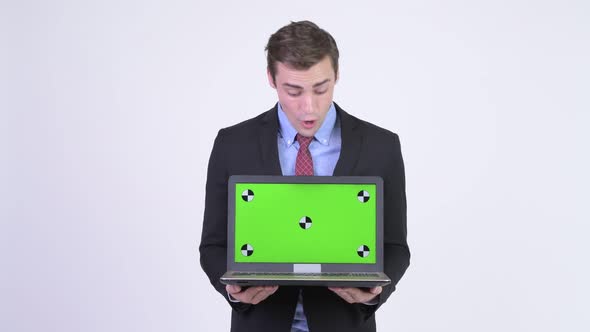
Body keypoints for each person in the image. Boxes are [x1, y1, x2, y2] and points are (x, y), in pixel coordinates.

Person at [199, 20, 410, 332]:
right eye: (293, 91)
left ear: (336, 75)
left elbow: (395, 246)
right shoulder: (232, 144)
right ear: (271, 78)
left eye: (321, 88)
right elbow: (213, 245)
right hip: (261, 323)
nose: (308, 107)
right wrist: (234, 292)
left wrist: (372, 295)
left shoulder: (381, 146)